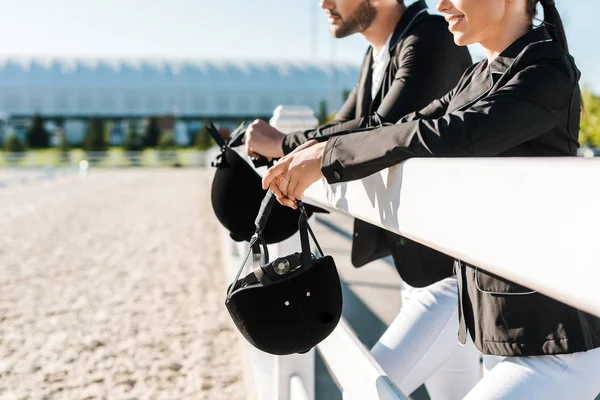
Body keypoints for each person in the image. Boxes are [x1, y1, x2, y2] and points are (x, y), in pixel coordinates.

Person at [262, 0, 600, 398]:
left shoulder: (548, 71)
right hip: (495, 329)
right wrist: (313, 151)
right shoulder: (478, 76)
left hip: (556, 347)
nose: (441, 4)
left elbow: (453, 134)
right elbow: (409, 125)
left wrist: (329, 156)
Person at [249, 1, 482, 398]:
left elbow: (381, 130)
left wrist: (283, 143)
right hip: (421, 269)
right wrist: (288, 154)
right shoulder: (376, 54)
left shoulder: (431, 38)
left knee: (364, 390)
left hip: (454, 277)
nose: (324, 3)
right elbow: (340, 129)